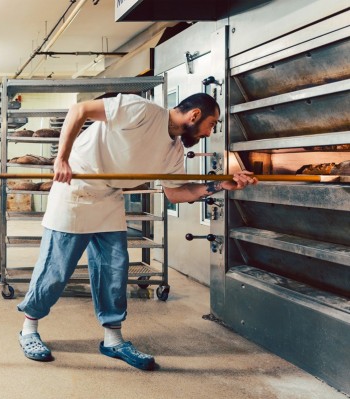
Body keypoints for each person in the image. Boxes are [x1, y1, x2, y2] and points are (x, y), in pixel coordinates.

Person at [17, 92, 257, 370]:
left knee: (114, 268)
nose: (209, 131)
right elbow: (79, 110)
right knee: (56, 269)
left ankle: (113, 339)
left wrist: (219, 185)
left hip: (108, 196)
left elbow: (176, 194)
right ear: (194, 116)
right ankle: (29, 328)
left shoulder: (174, 151)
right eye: (211, 124)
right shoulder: (140, 110)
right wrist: (62, 159)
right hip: (76, 188)